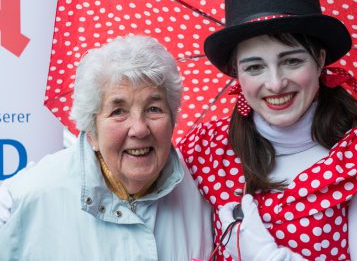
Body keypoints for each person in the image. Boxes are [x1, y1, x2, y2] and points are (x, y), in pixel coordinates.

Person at [177, 0, 357, 260]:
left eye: (292, 61)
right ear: (237, 72)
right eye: (255, 67)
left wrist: (267, 256)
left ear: (319, 60)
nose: (275, 84)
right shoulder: (206, 149)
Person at [0, 35, 213, 260]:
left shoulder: (205, 191)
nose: (139, 129)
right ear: (91, 131)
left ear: (172, 119)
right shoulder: (27, 201)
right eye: (118, 112)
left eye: (154, 109)